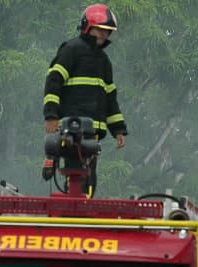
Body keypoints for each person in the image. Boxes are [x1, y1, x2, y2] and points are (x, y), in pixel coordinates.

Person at [42, 4, 128, 194]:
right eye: (100, 30)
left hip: (94, 133)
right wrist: (51, 115)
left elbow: (110, 99)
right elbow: (54, 82)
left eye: (107, 31)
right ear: (87, 26)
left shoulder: (104, 61)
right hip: (71, 128)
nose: (104, 35)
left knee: (89, 181)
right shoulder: (71, 49)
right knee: (74, 174)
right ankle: (51, 159)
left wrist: (118, 129)